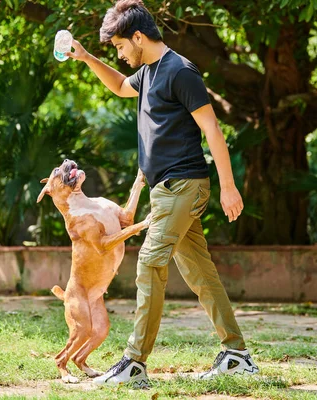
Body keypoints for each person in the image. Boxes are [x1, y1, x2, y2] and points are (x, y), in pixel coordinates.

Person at [65, 0, 259, 387]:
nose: (120, 54)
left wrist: (229, 186)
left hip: (185, 184)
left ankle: (134, 362)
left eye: (121, 46)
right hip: (164, 191)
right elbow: (120, 86)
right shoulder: (148, 71)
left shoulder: (180, 71)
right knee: (200, 273)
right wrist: (86, 57)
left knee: (149, 262)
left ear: (138, 37)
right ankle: (236, 354)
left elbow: (212, 130)